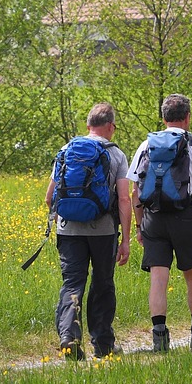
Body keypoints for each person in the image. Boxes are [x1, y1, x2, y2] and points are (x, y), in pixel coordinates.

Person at [129, 94, 192, 351]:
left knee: (158, 278)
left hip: (154, 218)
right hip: (185, 217)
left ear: (163, 118)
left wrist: (139, 227)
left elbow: (135, 191)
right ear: (188, 117)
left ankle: (159, 338)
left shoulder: (145, 145)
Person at [46, 102, 132, 360]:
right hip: (103, 230)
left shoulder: (66, 150)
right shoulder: (116, 154)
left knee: (72, 282)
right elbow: (125, 199)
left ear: (88, 126)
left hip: (68, 230)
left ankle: (69, 336)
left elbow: (49, 196)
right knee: (103, 283)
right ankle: (103, 343)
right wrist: (126, 239)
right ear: (110, 126)